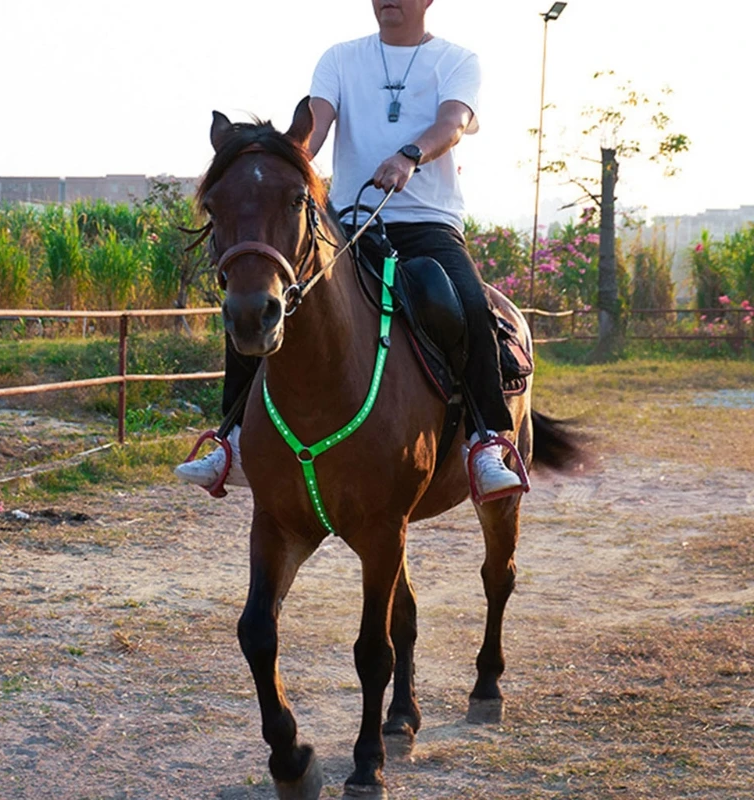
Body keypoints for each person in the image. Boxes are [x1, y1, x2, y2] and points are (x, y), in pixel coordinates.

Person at [175, 0, 522, 502]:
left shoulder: (456, 60)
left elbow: (452, 122)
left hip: (428, 221)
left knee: (467, 302)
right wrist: (269, 159)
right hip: (347, 224)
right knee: (258, 295)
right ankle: (232, 439)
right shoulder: (340, 58)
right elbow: (312, 131)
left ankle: (487, 440)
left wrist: (409, 155)